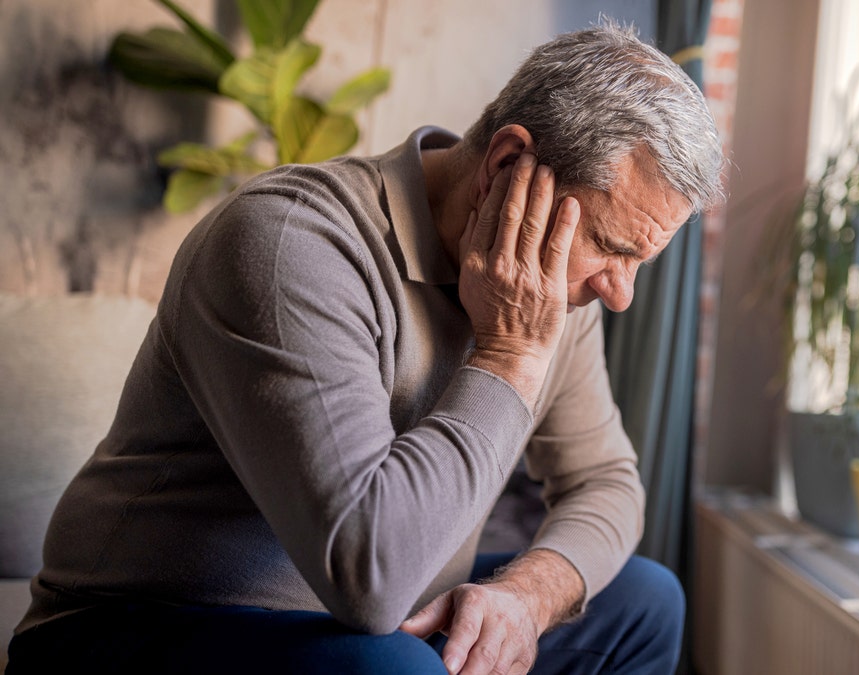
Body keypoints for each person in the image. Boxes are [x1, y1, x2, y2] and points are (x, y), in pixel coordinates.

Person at [5, 19, 724, 675]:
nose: (620, 291)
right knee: (391, 669)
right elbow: (372, 578)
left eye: (641, 260)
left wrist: (529, 596)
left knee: (644, 601)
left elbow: (607, 482)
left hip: (361, 627)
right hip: (135, 626)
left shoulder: (562, 286)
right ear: (508, 167)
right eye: (610, 246)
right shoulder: (292, 245)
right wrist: (508, 357)